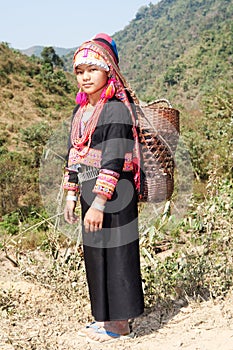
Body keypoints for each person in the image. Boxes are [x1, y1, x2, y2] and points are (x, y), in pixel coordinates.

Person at [63, 33, 144, 344]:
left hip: (114, 193)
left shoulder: (116, 109)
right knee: (97, 254)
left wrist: (98, 203)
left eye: (92, 70)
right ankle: (105, 319)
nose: (85, 77)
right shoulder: (81, 111)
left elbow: (113, 159)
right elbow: (75, 153)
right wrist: (72, 193)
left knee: (119, 254)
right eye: (80, 72)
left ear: (108, 71)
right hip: (88, 189)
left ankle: (121, 325)